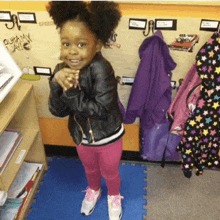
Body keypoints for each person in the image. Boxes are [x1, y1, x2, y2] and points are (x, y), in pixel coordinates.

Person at [46, 1, 124, 220]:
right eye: (66, 44)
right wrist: (55, 84)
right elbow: (58, 111)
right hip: (81, 137)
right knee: (90, 169)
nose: (72, 51)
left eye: (81, 44)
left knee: (110, 171)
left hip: (108, 136)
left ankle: (114, 195)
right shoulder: (62, 70)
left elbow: (100, 109)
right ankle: (94, 190)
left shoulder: (102, 69)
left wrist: (70, 92)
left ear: (97, 45)